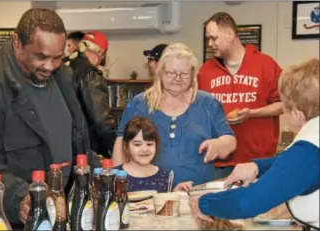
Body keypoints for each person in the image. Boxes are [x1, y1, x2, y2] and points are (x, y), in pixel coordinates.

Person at [0, 8, 100, 227]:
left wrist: (97, 169)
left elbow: (76, 138)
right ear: (17, 42)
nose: (50, 66)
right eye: (41, 56)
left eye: (57, 57)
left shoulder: (62, 76)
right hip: (16, 220)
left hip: (60, 211)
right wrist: (19, 197)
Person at [190, 58, 319, 230]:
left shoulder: (307, 151)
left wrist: (203, 203)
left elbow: (247, 202)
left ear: (296, 113)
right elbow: (299, 165)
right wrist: (257, 166)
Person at [112, 43, 236, 186]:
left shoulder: (208, 103)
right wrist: (118, 182)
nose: (178, 78)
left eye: (184, 74)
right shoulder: (138, 104)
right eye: (171, 73)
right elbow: (122, 143)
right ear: (160, 72)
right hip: (149, 192)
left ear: (193, 74)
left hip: (197, 191)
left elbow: (230, 140)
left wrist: (219, 144)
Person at [197, 12, 283, 179]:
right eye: (208, 39)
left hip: (258, 162)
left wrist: (252, 113)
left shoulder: (265, 64)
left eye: (214, 38)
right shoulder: (205, 71)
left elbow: (284, 104)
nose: (210, 44)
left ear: (230, 34)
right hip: (220, 162)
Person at [64, 31, 116, 158]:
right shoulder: (90, 74)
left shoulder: (62, 65)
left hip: (61, 142)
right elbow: (101, 120)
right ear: (101, 53)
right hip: (85, 148)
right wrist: (114, 147)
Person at [116, 116, 194, 192]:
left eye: (149, 144)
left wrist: (176, 192)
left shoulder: (164, 176)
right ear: (126, 146)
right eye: (137, 144)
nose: (144, 149)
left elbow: (165, 200)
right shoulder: (114, 176)